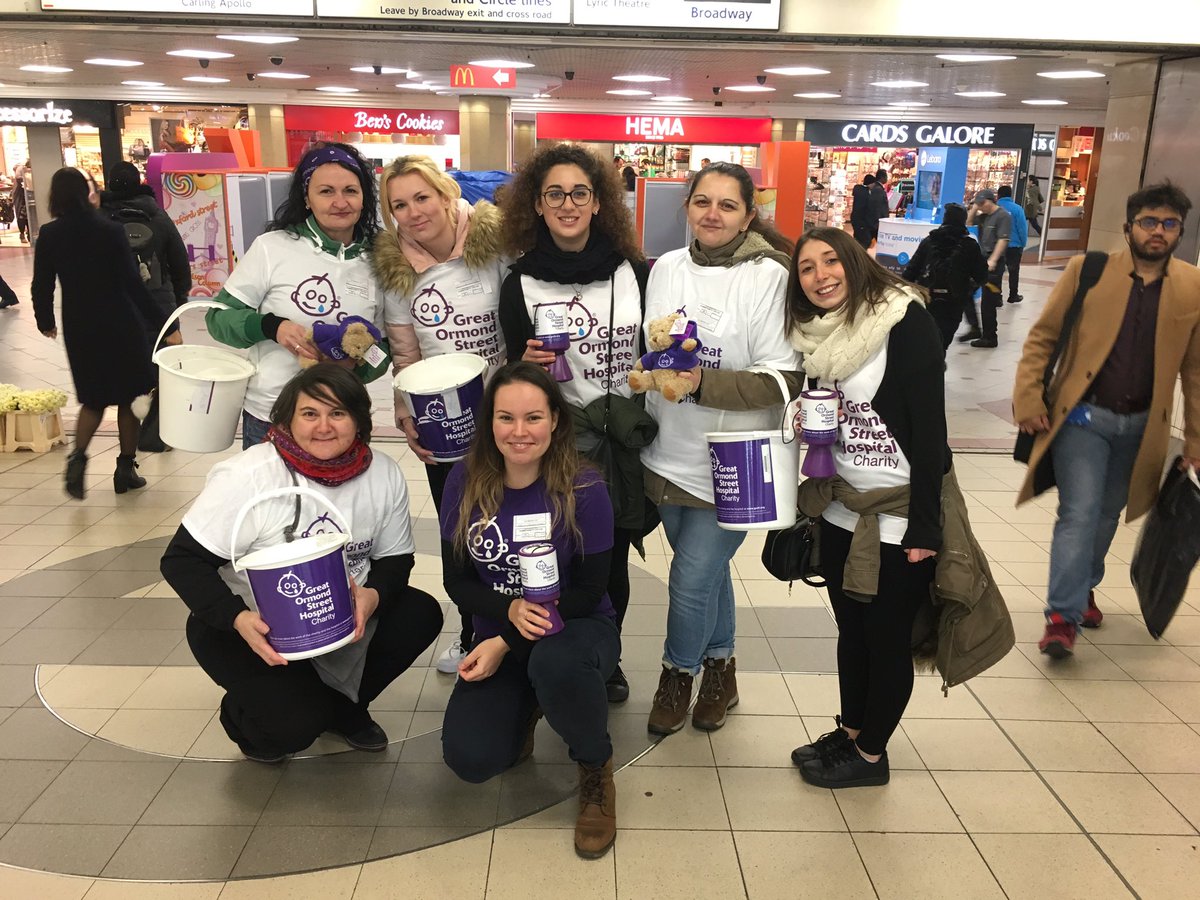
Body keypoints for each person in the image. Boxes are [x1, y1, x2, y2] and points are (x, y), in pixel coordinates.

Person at [160, 365, 443, 762]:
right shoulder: (251, 474)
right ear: (288, 419)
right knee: (290, 726)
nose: (323, 426)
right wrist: (237, 619)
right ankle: (247, 715)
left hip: (337, 619)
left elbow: (395, 559)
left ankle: (343, 709)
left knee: (420, 612)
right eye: (310, 413)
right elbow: (182, 560)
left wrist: (372, 597)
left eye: (338, 413)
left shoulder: (382, 473)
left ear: (359, 421)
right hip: (249, 625)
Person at [641, 162, 798, 735]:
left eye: (727, 205)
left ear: (749, 214)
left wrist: (699, 382)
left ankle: (676, 672)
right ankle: (722, 668)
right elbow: (653, 347)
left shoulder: (770, 276)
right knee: (706, 577)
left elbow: (783, 378)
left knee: (688, 578)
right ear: (686, 207)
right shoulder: (666, 269)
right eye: (702, 202)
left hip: (739, 460)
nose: (712, 214)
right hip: (669, 451)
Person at [439, 362, 620, 860]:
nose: (519, 432)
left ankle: (594, 768)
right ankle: (530, 705)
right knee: (472, 760)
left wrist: (506, 640)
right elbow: (457, 581)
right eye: (506, 418)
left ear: (555, 421)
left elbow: (589, 588)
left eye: (533, 417)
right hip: (502, 634)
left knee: (554, 663)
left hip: (578, 632)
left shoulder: (584, 487)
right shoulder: (463, 481)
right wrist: (508, 609)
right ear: (489, 423)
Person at [786, 227, 946, 787]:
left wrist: (927, 525)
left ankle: (872, 755)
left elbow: (932, 436)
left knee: (886, 638)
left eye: (832, 261)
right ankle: (851, 731)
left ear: (856, 262)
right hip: (840, 510)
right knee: (851, 632)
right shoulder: (814, 336)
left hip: (897, 514)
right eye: (807, 268)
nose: (821, 275)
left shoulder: (904, 322)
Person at [1013, 182, 1200, 659]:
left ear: (1179, 231)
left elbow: (1195, 372)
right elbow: (1043, 336)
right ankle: (1061, 616)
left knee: (1106, 514)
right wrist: (1029, 395)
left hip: (1143, 428)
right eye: (1149, 222)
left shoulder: (1192, 286)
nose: (1158, 231)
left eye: (1169, 224)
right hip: (1082, 418)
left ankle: (1082, 586)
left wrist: (1195, 439)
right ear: (1129, 227)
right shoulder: (1089, 270)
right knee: (1078, 512)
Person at [497, 142, 655, 704]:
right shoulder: (519, 282)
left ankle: (603, 658)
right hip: (555, 441)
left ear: (598, 203)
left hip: (619, 440)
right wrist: (526, 364)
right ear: (537, 205)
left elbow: (653, 350)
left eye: (579, 193)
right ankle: (542, 647)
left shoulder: (634, 272)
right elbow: (513, 370)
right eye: (554, 194)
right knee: (555, 548)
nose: (567, 204)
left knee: (609, 557)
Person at [371, 154, 507, 676]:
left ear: (448, 195)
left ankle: (517, 629)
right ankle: (472, 631)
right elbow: (405, 355)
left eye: (422, 197)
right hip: (442, 418)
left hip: (506, 416)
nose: (413, 212)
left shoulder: (494, 247)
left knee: (512, 525)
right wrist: (406, 414)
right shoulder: (395, 270)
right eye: (399, 204)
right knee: (461, 530)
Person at [205, 143, 388, 449]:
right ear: (307, 198)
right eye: (326, 191)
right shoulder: (271, 247)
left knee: (339, 497)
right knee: (273, 498)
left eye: (350, 191)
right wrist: (272, 327)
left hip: (343, 416)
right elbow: (217, 319)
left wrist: (359, 365)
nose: (340, 202)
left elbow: (387, 347)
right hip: (272, 415)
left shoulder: (382, 258)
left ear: (364, 197)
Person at [31, 168, 165, 500]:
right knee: (129, 397)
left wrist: (45, 320)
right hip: (120, 323)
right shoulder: (110, 231)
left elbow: (41, 285)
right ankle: (125, 469)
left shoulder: (50, 235)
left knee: (93, 399)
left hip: (81, 326)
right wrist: (165, 323)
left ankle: (78, 460)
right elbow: (132, 283)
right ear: (86, 193)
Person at [101, 160, 193, 452]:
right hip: (158, 307)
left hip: (115, 309)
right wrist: (177, 302)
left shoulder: (100, 219)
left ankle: (128, 445)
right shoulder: (157, 216)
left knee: (127, 371)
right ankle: (155, 435)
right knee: (164, 371)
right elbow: (179, 263)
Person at [902, 203, 988, 350]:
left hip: (928, 299)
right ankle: (937, 364)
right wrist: (969, 289)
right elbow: (982, 275)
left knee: (927, 340)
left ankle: (930, 365)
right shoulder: (970, 245)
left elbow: (910, 272)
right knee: (943, 342)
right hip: (954, 301)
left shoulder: (929, 241)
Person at [962, 188, 1012, 349]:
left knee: (988, 301)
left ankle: (990, 337)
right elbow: (968, 223)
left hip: (994, 262)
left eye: (983, 203)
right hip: (981, 260)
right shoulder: (983, 216)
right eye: (979, 203)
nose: (981, 206)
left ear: (992, 201)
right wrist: (975, 208)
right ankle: (974, 327)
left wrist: (993, 260)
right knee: (966, 291)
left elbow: (1003, 240)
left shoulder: (1003, 216)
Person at [996, 185, 1029, 304]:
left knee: (997, 273)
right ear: (1010, 195)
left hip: (997, 246)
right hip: (1014, 246)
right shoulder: (1017, 209)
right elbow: (1022, 228)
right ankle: (1013, 295)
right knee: (1014, 271)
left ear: (998, 195)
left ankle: (997, 297)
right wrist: (1023, 243)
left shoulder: (994, 208)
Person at [849, 174, 876, 249]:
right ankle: (859, 256)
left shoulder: (859, 191)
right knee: (864, 241)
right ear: (871, 183)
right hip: (861, 221)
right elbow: (867, 208)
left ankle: (856, 254)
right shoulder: (865, 193)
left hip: (856, 219)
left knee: (858, 238)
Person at [870, 169, 891, 236]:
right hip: (877, 222)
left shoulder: (875, 187)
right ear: (882, 178)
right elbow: (878, 207)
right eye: (886, 177)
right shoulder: (878, 190)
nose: (887, 179)